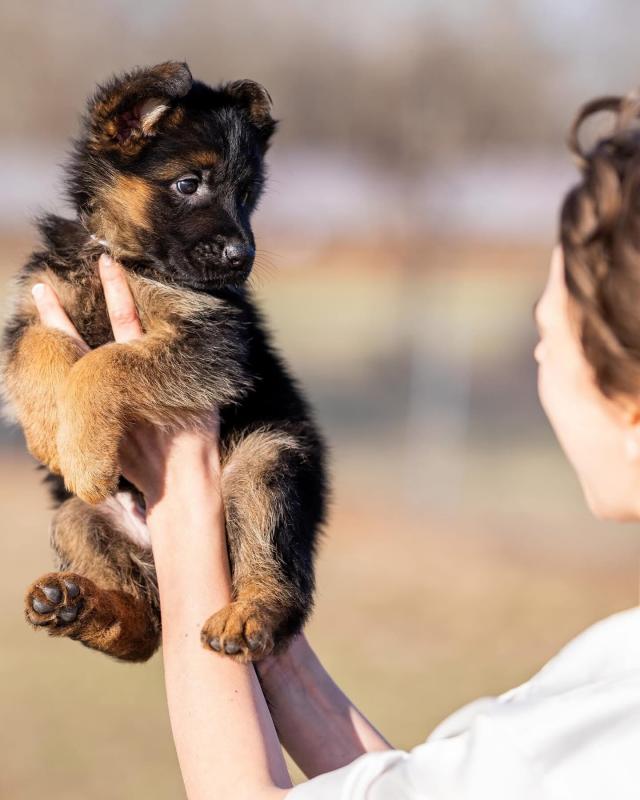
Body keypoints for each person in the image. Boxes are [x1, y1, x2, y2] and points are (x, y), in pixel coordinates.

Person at [30, 89, 640, 798]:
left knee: (267, 459)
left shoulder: (605, 714)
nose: (538, 361)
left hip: (212, 483)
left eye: (550, 340)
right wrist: (270, 655)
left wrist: (183, 498)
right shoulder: (613, 675)